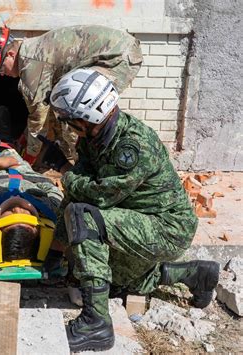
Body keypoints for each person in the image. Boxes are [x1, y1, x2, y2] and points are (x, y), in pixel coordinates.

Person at [42, 68, 219, 352]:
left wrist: (64, 169)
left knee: (87, 219)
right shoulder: (93, 139)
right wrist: (54, 255)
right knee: (114, 282)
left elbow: (98, 196)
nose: (69, 127)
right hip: (138, 220)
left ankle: (96, 324)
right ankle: (196, 274)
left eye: (69, 121)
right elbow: (77, 193)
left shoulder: (132, 146)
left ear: (87, 117)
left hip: (167, 228)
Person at [0, 25, 143, 167]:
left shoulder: (30, 66)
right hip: (116, 50)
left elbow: (38, 120)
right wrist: (24, 138)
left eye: (0, 68)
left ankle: (93, 167)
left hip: (118, 58)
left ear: (11, 55)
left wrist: (28, 158)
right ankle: (74, 160)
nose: (3, 74)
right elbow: (44, 110)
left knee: (81, 113)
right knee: (64, 110)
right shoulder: (30, 53)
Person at [0, 136, 63, 263]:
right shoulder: (49, 208)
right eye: (26, 214)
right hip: (19, 167)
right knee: (7, 148)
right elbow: (48, 185)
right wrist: (19, 167)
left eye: (10, 213)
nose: (17, 208)